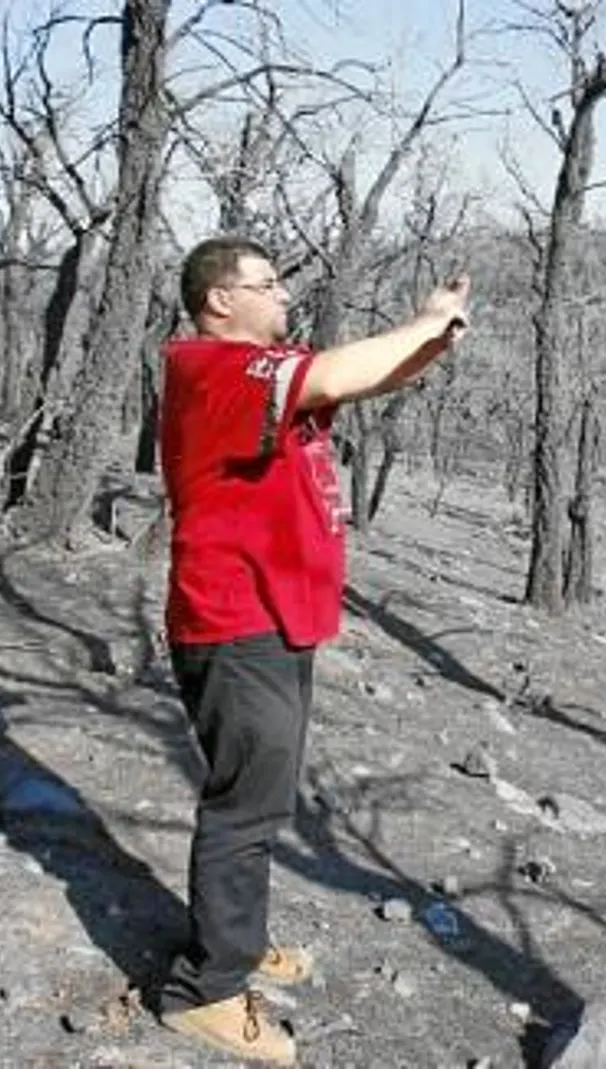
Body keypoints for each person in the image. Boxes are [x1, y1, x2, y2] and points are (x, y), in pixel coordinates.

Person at [153, 236, 469, 1064]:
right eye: (265, 284)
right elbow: (332, 373)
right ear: (220, 299)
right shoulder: (208, 365)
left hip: (279, 616)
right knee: (244, 803)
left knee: (264, 795)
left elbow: (360, 377)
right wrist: (422, 318)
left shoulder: (263, 370)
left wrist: (430, 340)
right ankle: (207, 990)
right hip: (233, 619)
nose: (282, 296)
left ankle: (238, 941)